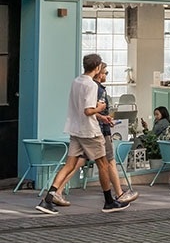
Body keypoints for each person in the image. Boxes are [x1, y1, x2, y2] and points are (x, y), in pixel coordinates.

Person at [36, 54, 131, 214]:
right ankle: (109, 201)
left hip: (75, 129)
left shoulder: (76, 81)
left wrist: (100, 116)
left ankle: (48, 200)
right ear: (97, 67)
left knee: (69, 165)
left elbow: (80, 108)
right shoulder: (91, 85)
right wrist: (99, 109)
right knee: (103, 165)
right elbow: (87, 111)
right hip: (89, 131)